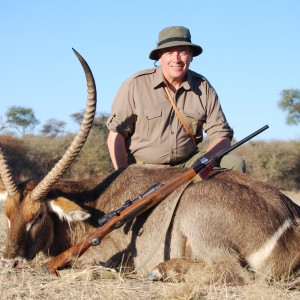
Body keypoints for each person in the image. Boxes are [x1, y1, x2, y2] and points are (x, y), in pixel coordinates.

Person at [106, 26, 246, 172]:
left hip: (188, 163)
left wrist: (203, 161)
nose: (176, 59)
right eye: (169, 53)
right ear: (159, 57)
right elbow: (116, 133)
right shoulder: (135, 84)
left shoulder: (203, 87)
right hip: (144, 168)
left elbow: (221, 135)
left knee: (235, 164)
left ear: (191, 56)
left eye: (183, 52)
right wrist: (122, 175)